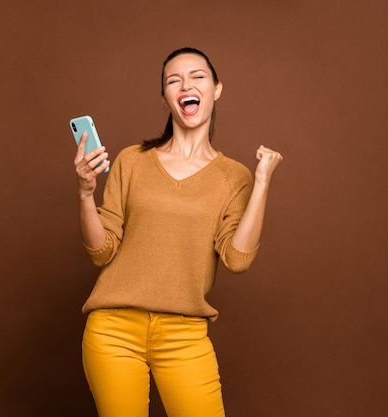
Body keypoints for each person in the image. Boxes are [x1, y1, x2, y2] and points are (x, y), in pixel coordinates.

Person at [74, 47, 283, 417]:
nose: (186, 84)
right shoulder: (132, 160)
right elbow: (100, 251)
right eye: (174, 80)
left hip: (185, 335)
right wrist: (86, 194)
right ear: (167, 97)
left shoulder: (234, 177)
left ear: (216, 89)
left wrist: (263, 182)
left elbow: (236, 259)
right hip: (113, 330)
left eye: (197, 76)